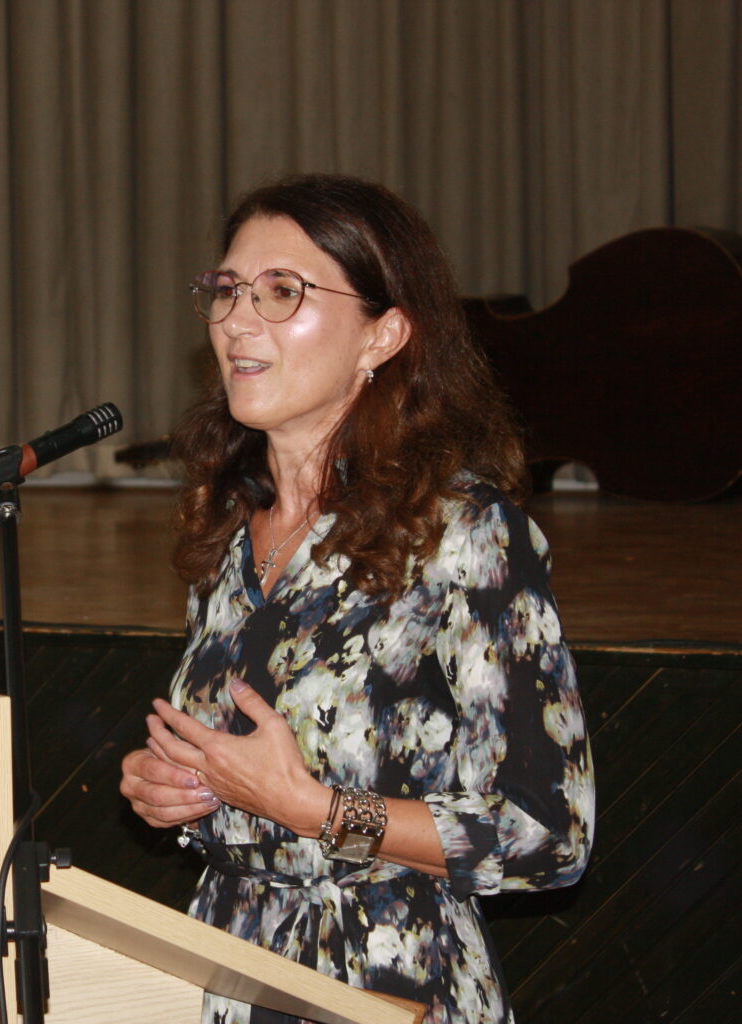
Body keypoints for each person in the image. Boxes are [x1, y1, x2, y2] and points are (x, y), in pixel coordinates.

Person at [118, 173, 593, 1024]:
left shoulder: (464, 534)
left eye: (281, 292)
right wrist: (180, 791)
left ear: (383, 334)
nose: (237, 321)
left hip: (383, 978)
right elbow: (249, 773)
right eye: (227, 290)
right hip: (228, 964)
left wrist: (317, 811)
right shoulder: (231, 528)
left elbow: (550, 835)